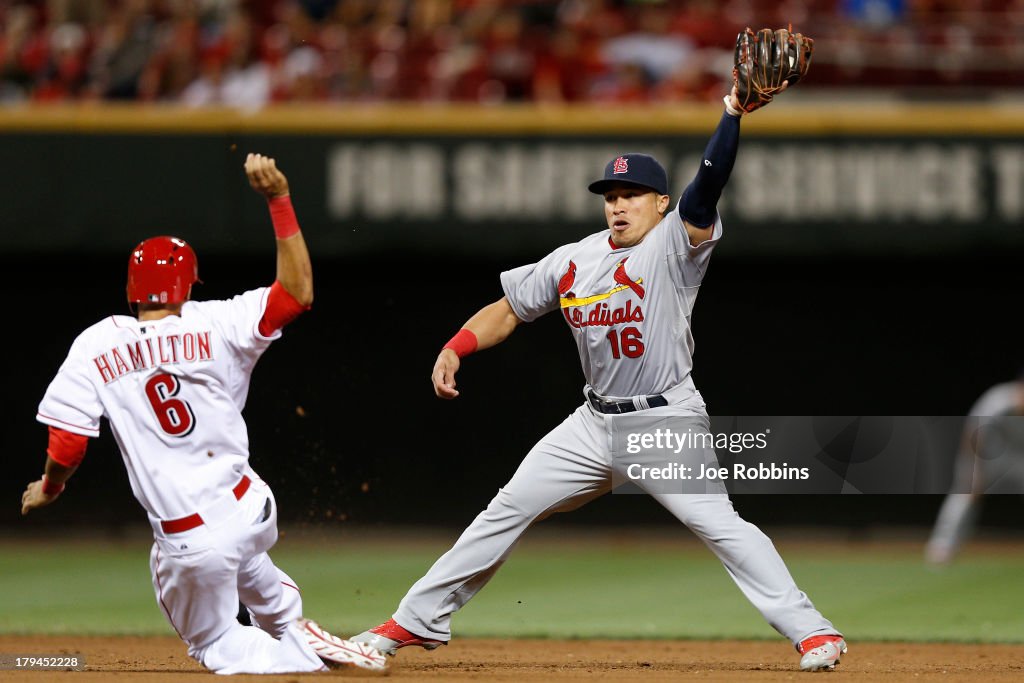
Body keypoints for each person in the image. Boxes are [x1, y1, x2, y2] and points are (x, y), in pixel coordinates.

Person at [352, 28, 847, 672]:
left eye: (632, 195)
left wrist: (731, 113)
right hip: (592, 423)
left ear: (659, 203)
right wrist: (456, 345)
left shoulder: (673, 244)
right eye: (611, 196)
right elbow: (509, 309)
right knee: (506, 508)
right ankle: (409, 625)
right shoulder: (574, 259)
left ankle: (815, 634)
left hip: (664, 421)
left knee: (723, 529)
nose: (618, 206)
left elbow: (708, 187)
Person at [21, 154, 386, 674]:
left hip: (191, 535)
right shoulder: (218, 321)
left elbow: (68, 445)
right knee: (249, 561)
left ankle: (298, 649)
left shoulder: (95, 344)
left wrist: (50, 488)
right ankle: (289, 622)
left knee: (215, 645)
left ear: (131, 290)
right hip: (251, 505)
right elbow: (296, 293)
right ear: (189, 286)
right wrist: (278, 201)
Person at [925, 372, 1024, 565]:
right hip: (985, 453)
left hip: (1017, 456)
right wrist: (974, 470)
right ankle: (941, 547)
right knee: (966, 492)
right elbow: (973, 434)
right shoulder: (997, 401)